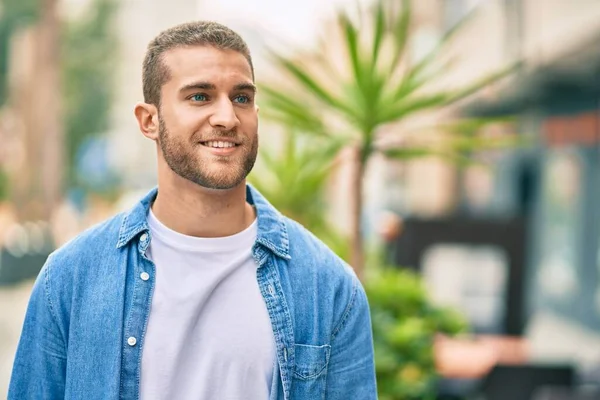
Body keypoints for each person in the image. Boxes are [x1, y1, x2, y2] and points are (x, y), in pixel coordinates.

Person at [8, 21, 376, 400]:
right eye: (200, 97)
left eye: (242, 98)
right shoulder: (71, 278)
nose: (227, 117)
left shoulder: (327, 286)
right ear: (149, 120)